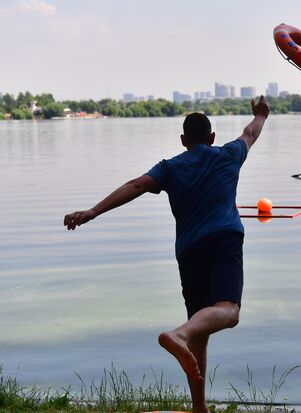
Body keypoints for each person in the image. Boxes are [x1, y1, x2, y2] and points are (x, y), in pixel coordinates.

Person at [63, 96, 270, 413]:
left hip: (189, 251)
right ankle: (177, 335)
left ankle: (199, 407)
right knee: (228, 312)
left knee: (199, 333)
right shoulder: (229, 153)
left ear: (184, 140)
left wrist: (93, 212)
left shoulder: (171, 167)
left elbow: (135, 186)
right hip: (224, 239)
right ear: (212, 137)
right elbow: (250, 133)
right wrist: (260, 116)